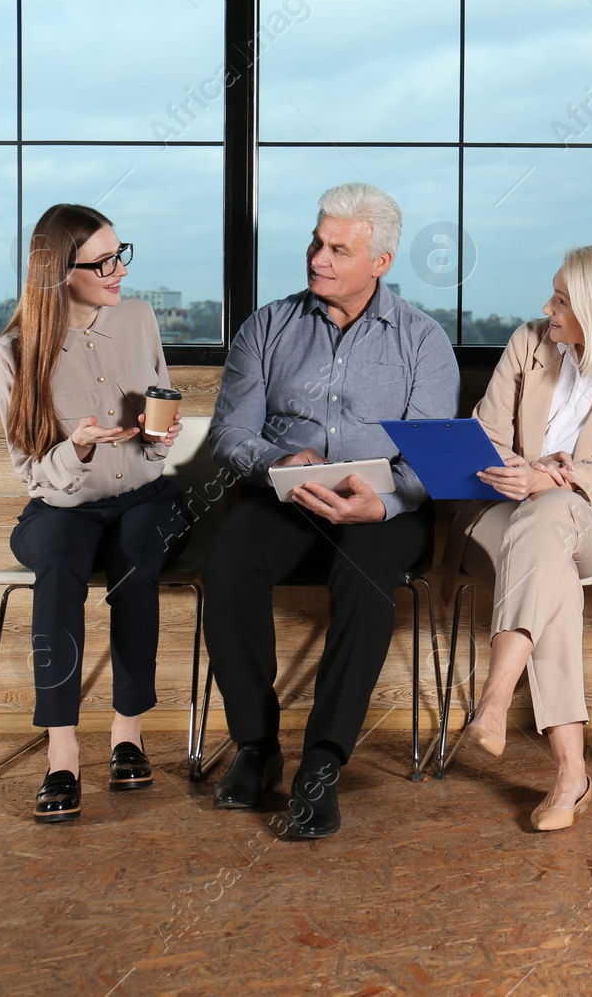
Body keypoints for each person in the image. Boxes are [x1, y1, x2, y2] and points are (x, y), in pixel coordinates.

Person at [203, 182, 459, 839]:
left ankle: (322, 763)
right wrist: (272, 464)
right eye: (318, 243)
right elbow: (229, 433)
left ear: (381, 262)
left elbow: (432, 456)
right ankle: (257, 749)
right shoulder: (268, 326)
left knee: (366, 579)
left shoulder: (423, 342)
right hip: (287, 499)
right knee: (228, 557)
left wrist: (387, 499)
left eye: (338, 249)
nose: (319, 258)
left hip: (384, 511)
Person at [440, 244, 592, 831]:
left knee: (552, 515)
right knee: (554, 573)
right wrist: (521, 473)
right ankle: (571, 774)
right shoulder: (529, 341)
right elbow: (485, 432)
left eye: (562, 300)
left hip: (590, 517)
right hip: (500, 509)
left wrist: (548, 476)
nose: (548, 309)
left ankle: (494, 695)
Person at [0, 203, 189, 824]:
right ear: (58, 271)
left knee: (134, 562)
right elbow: (32, 474)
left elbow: (158, 416)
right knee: (58, 563)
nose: (117, 270)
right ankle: (63, 754)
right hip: (64, 503)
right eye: (102, 261)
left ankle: (126, 734)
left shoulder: (139, 317)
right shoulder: (13, 353)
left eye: (120, 253)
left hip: (147, 499)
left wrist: (162, 437)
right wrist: (73, 448)